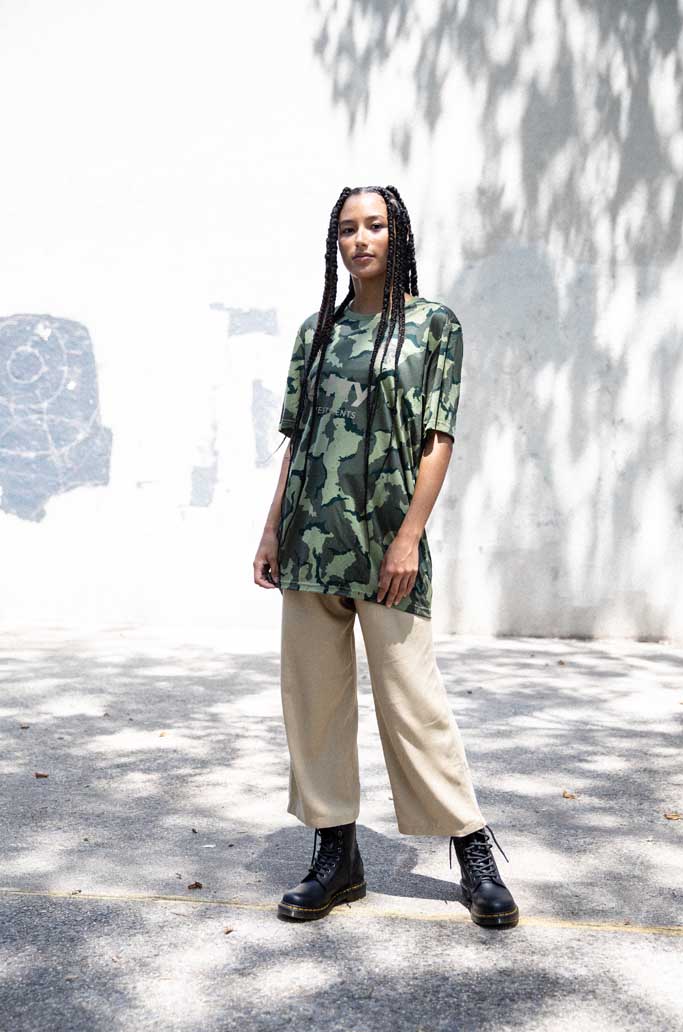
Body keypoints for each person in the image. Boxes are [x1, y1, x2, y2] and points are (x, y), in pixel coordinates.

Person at [253, 185, 519, 930]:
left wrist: (409, 536)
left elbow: (439, 438)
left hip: (386, 545)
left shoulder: (434, 325)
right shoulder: (316, 332)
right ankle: (335, 855)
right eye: (347, 229)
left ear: (396, 234)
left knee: (414, 703)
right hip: (309, 540)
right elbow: (298, 441)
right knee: (314, 704)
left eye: (373, 225)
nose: (360, 239)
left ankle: (472, 849)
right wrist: (271, 531)